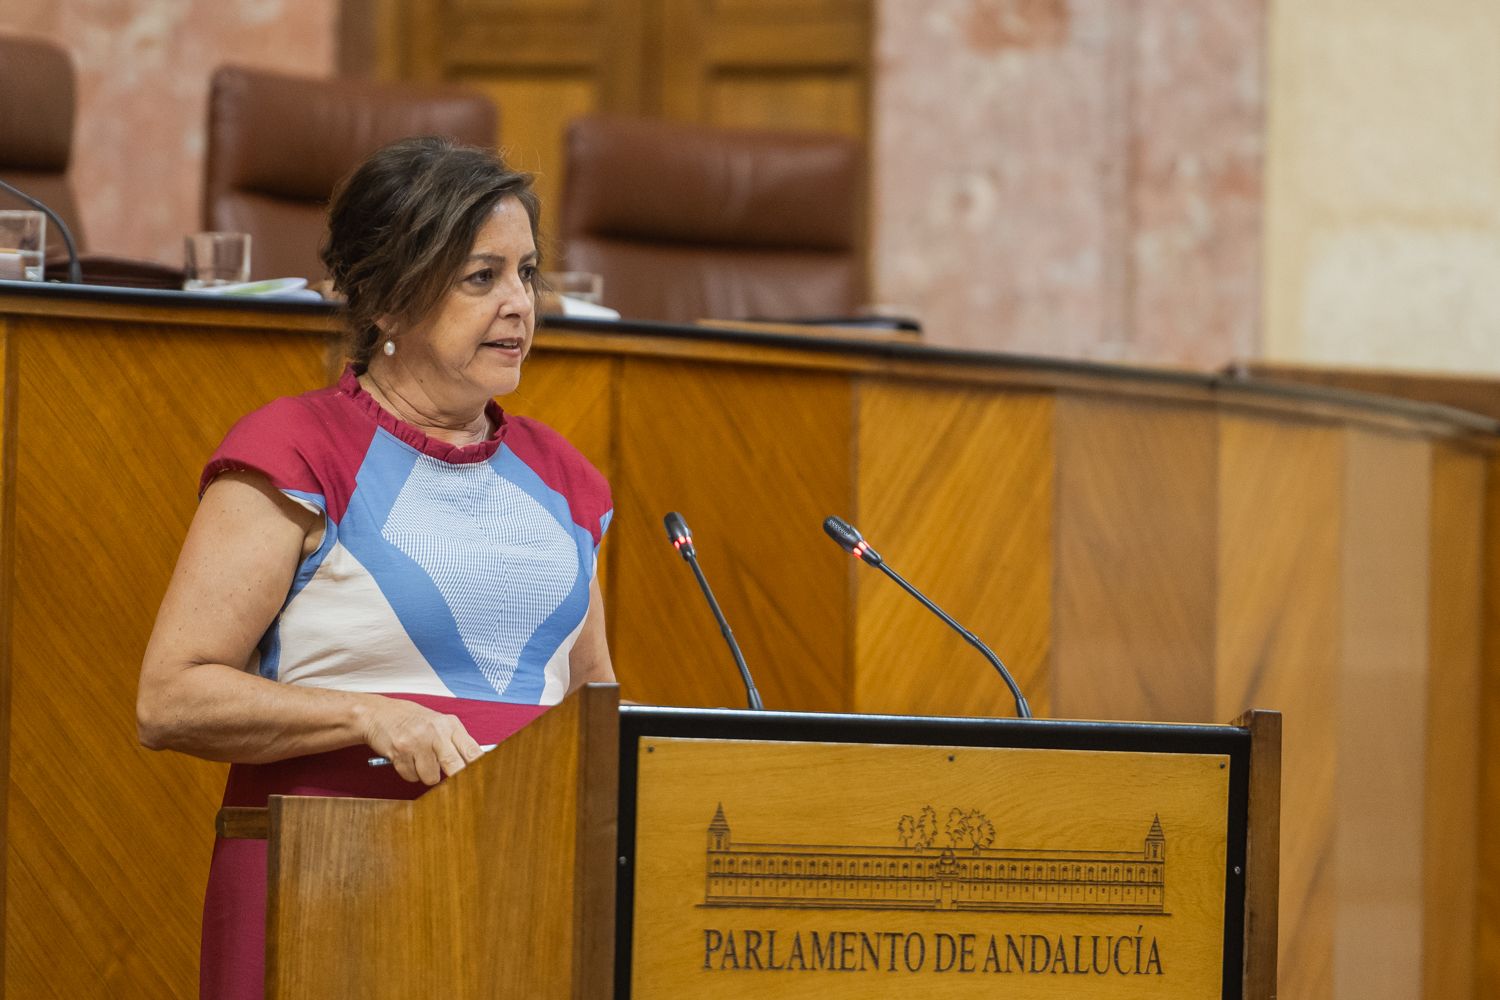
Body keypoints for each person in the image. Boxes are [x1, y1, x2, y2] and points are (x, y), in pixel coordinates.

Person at [135, 136, 615, 1000]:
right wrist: (369, 717)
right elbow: (171, 697)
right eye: (481, 277)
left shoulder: (567, 481)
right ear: (388, 305)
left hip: (526, 891)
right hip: (329, 882)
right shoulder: (293, 450)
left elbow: (592, 711)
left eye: (526, 273)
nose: (519, 304)